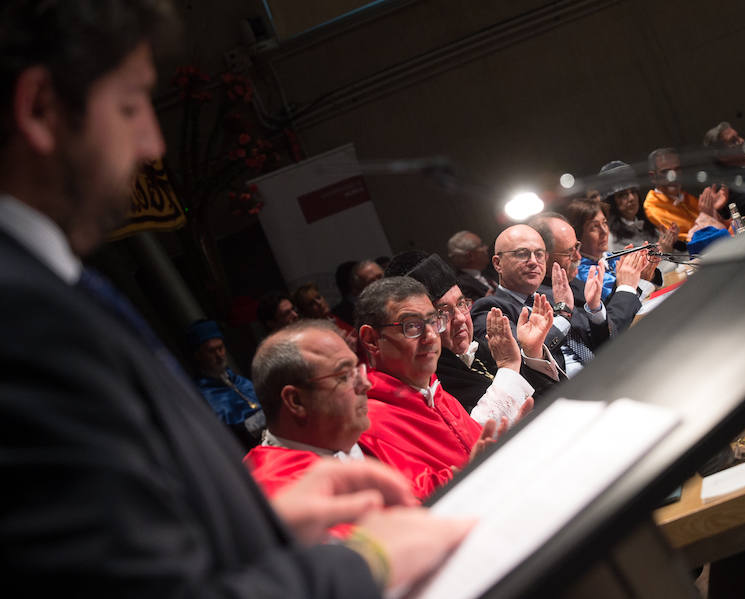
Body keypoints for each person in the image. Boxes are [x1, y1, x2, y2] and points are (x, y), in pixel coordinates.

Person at [0, 1, 468, 595]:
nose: (150, 142)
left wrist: (260, 528)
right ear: (41, 108)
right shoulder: (21, 316)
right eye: (129, 105)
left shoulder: (47, 281)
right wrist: (367, 562)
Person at [356, 277, 508, 499]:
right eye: (412, 326)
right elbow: (413, 503)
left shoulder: (437, 393)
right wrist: (477, 470)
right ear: (371, 340)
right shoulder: (367, 423)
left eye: (433, 321)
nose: (430, 337)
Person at [388, 252, 552, 417]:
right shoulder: (430, 383)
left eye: (461, 303)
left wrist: (533, 352)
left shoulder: (485, 347)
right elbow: (480, 434)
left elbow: (545, 398)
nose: (459, 318)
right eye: (442, 312)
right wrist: (509, 367)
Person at [471, 224, 622, 378]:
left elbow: (606, 343)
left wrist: (595, 309)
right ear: (498, 263)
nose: (533, 261)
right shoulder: (489, 310)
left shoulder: (553, 294)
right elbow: (523, 360)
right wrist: (563, 314)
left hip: (609, 371)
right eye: (522, 254)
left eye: (539, 254)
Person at [244, 320, 372, 497]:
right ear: (296, 401)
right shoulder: (279, 495)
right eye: (344, 376)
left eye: (357, 370)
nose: (366, 384)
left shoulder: (349, 435)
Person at [528, 212, 645, 340]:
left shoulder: (570, 281)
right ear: (542, 257)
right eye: (569, 252)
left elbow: (606, 314)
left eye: (576, 247)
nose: (578, 257)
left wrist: (628, 280)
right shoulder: (544, 298)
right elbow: (605, 335)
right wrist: (626, 287)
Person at [187, 319, 265, 448]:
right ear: (198, 355)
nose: (219, 355)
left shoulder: (236, 379)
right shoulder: (204, 394)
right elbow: (230, 433)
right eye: (211, 351)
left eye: (220, 348)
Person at [643, 148, 730, 242]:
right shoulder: (652, 206)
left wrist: (713, 210)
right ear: (653, 177)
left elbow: (719, 228)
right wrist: (706, 215)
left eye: (677, 169)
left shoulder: (686, 196)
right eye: (665, 171)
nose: (673, 176)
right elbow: (687, 242)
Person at [593, 160, 676, 253]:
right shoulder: (610, 239)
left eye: (633, 191)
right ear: (611, 201)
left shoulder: (649, 226)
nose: (631, 198)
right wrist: (665, 252)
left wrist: (672, 242)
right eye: (623, 195)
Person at [447, 230, 497, 299]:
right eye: (481, 245)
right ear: (470, 256)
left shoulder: (489, 272)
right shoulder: (460, 286)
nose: (486, 248)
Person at [332, 259, 385, 325]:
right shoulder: (342, 317)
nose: (381, 283)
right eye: (372, 281)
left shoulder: (397, 299)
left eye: (380, 277)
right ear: (356, 289)